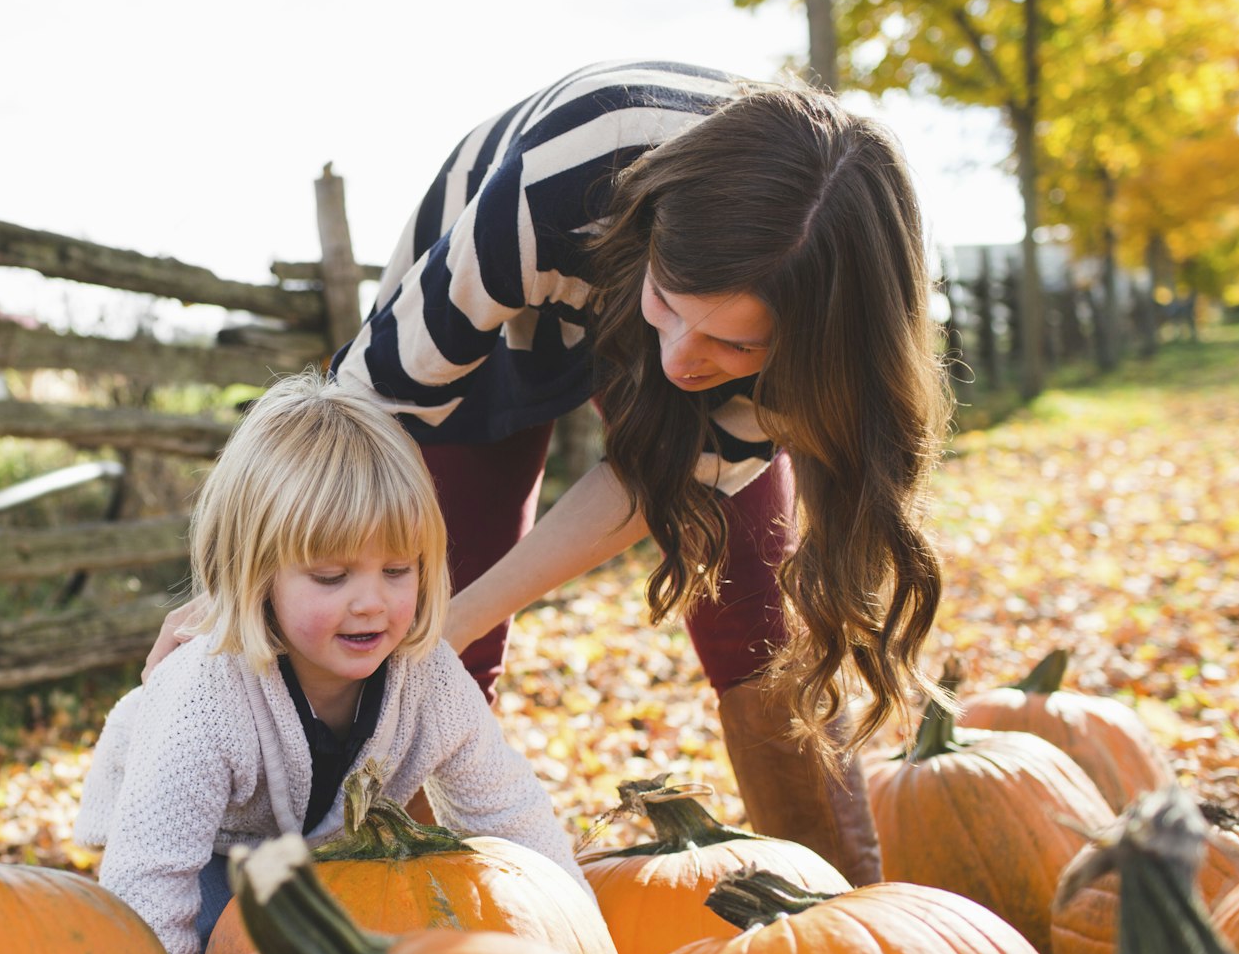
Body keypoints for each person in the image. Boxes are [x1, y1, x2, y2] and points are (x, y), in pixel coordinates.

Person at [153, 61, 951, 886]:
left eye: (734, 345)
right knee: (420, 614)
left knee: (756, 610)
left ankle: (846, 898)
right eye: (671, 307)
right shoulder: (552, 187)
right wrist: (256, 583)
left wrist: (461, 616)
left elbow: (660, 487)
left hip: (693, 298)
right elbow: (365, 402)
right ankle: (408, 912)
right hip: (491, 311)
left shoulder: (835, 316)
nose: (681, 361)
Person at [79, 371, 588, 954]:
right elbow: (148, 886)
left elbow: (512, 815)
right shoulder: (203, 697)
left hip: (319, 858)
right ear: (257, 573)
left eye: (397, 570)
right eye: (331, 577)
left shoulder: (430, 679)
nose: (371, 602)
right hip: (201, 852)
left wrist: (586, 949)